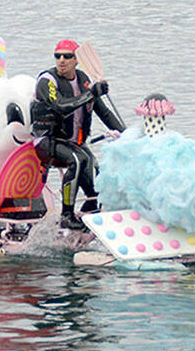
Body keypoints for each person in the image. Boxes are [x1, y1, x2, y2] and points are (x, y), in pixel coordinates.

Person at [30, 39, 125, 230]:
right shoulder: (47, 81)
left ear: (77, 60)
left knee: (98, 180)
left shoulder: (84, 81)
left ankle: (89, 214)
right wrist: (92, 93)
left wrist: (128, 135)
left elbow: (104, 113)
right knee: (78, 160)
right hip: (48, 141)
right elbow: (61, 107)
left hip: (75, 143)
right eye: (58, 56)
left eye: (68, 56)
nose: (62, 60)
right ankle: (66, 215)